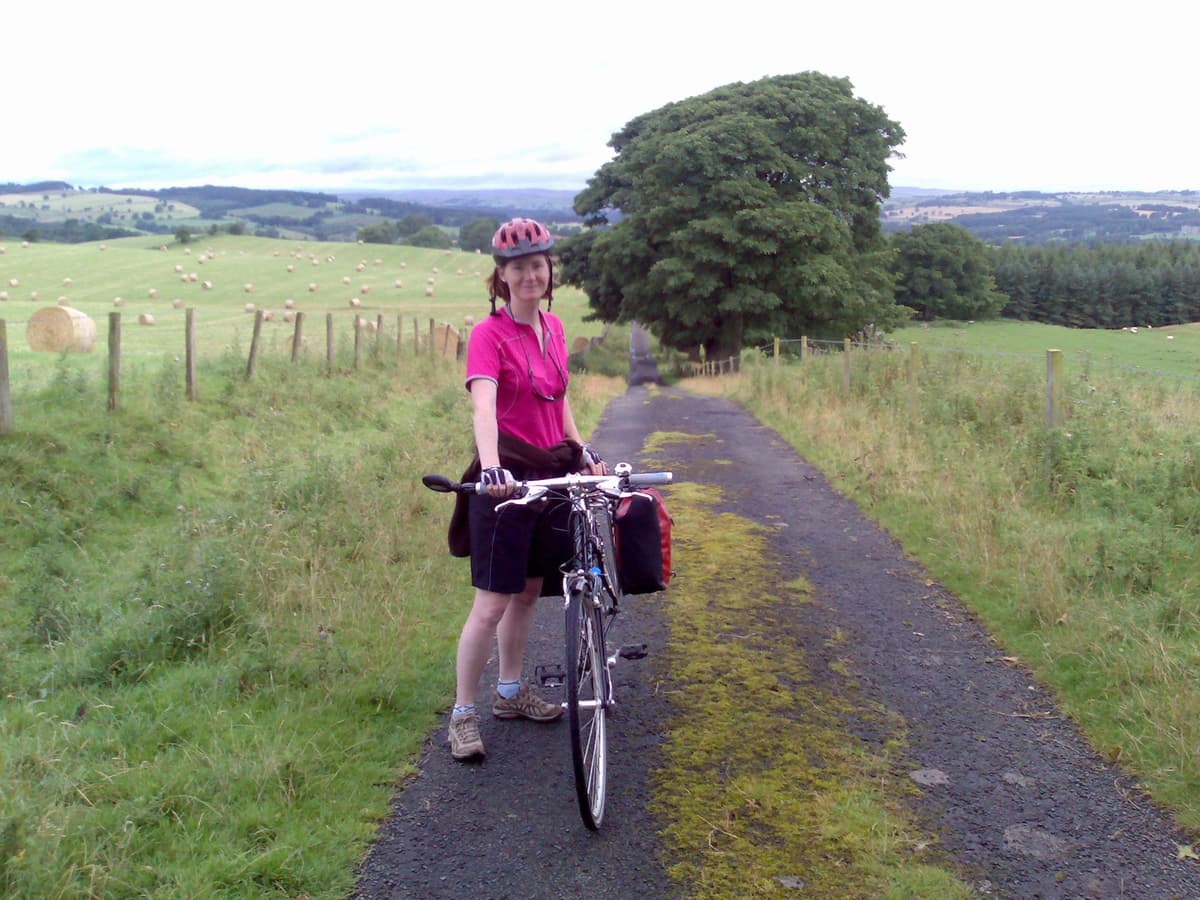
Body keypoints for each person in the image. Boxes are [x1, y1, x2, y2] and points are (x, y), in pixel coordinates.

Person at [447, 217, 607, 761]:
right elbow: (484, 403)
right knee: (491, 603)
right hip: (508, 476)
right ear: (502, 277)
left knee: (532, 591)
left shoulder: (555, 328)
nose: (530, 275)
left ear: (548, 270)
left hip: (551, 472)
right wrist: (491, 468)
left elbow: (558, 401)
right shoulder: (488, 334)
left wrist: (581, 449)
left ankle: (510, 693)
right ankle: (463, 714)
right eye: (519, 268)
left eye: (538, 265)